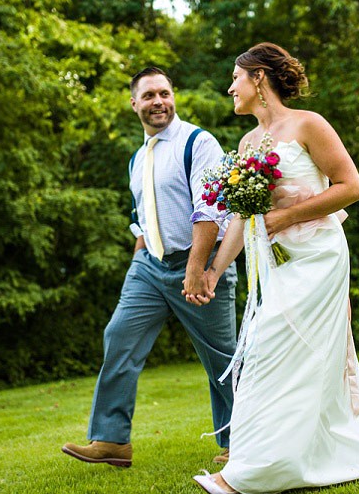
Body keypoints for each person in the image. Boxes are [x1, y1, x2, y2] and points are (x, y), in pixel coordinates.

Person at [188, 44, 359, 494]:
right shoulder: (248, 143)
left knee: (278, 349)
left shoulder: (310, 124)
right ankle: (265, 456)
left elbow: (351, 187)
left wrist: (288, 218)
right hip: (273, 264)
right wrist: (213, 270)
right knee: (266, 354)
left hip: (318, 257)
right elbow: (243, 218)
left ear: (258, 79)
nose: (229, 87)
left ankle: (253, 472)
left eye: (235, 77)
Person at [62, 68, 238, 468]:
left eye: (164, 93)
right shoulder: (137, 159)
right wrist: (136, 266)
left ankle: (239, 443)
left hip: (199, 262)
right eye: (149, 96)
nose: (158, 101)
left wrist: (196, 268)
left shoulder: (198, 142)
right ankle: (111, 441)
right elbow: (143, 218)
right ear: (134, 103)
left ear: (173, 96)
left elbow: (210, 210)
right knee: (119, 336)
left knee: (221, 358)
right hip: (148, 266)